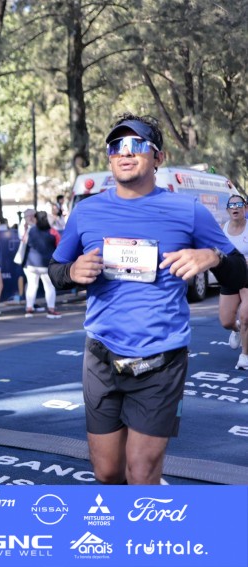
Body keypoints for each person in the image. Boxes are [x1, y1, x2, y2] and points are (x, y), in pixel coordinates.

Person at [48, 113, 246, 484]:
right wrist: (71, 272)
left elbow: (239, 272)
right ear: (109, 157)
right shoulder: (87, 211)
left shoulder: (188, 210)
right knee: (107, 472)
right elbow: (55, 271)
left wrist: (214, 257)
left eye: (136, 144)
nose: (125, 152)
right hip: (101, 357)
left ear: (158, 157)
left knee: (141, 472)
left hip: (161, 360)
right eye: (116, 146)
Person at [218, 194, 248, 369]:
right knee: (226, 321)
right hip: (231, 277)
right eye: (232, 205)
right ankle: (236, 329)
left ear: (245, 208)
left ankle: (245, 356)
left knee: (245, 315)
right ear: (228, 210)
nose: (235, 207)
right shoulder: (223, 229)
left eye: (239, 204)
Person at [23, 211, 61, 318]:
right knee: (49, 287)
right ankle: (51, 309)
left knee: (31, 286)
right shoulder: (53, 231)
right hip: (47, 264)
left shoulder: (31, 230)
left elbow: (24, 241)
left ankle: (29, 308)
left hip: (31, 263)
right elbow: (59, 246)